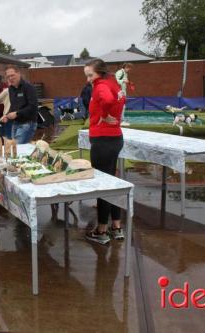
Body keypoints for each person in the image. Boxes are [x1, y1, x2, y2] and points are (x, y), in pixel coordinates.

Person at [84, 58, 126, 244]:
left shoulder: (100, 85)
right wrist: (111, 116)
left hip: (103, 140)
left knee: (103, 185)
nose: (88, 79)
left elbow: (107, 100)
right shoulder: (113, 83)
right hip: (116, 138)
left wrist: (103, 116)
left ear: (99, 73)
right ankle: (116, 226)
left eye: (90, 75)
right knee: (112, 182)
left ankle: (101, 230)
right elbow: (121, 98)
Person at [1, 65, 38, 144]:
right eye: (8, 77)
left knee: (18, 149)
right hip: (15, 123)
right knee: (15, 149)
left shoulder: (29, 87)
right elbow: (13, 106)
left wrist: (17, 113)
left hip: (27, 124)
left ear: (18, 74)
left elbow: (33, 106)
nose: (10, 78)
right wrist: (7, 115)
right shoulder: (11, 89)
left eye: (12, 75)